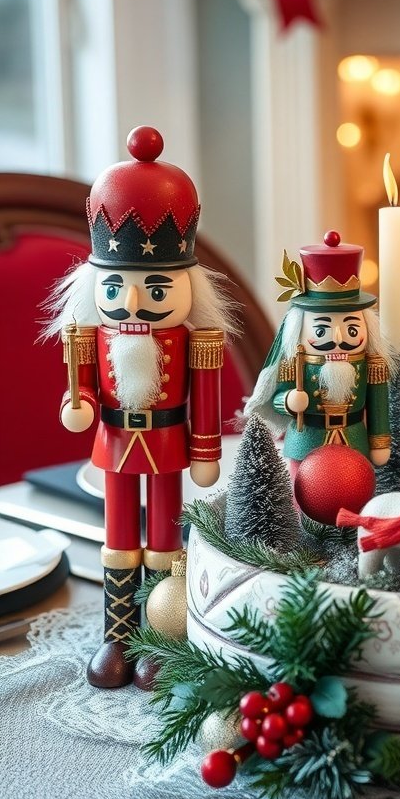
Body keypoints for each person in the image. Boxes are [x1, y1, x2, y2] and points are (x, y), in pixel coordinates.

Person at [43, 126, 238, 687]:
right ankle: (118, 637)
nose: (131, 303)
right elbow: (78, 391)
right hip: (114, 443)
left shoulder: (192, 340)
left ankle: (160, 638)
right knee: (118, 540)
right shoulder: (91, 335)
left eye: (155, 290)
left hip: (170, 441)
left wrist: (205, 448)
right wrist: (75, 405)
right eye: (116, 290)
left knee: (165, 541)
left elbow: (205, 398)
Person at [247, 231, 391, 473]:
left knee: (355, 487)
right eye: (322, 329)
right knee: (303, 494)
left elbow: (377, 404)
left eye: (352, 330)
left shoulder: (370, 364)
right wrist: (290, 401)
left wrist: (379, 442)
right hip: (307, 442)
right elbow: (279, 396)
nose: (337, 338)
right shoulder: (295, 363)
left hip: (353, 441)